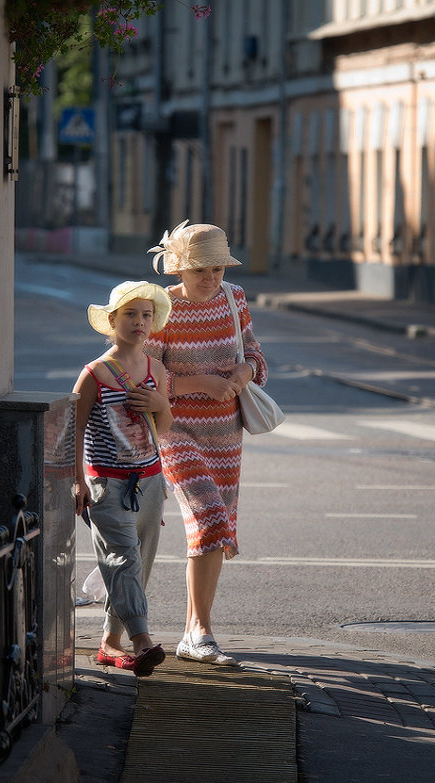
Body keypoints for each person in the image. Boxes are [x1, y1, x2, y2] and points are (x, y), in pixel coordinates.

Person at [144, 220, 269, 666]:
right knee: (210, 516)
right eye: (200, 269)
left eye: (217, 268)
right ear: (177, 268)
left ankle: (194, 631)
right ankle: (200, 633)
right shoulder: (160, 308)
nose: (210, 278)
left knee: (215, 532)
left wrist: (244, 372)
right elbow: (148, 375)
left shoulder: (234, 299)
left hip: (226, 434)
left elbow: (253, 352)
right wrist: (200, 382)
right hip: (175, 431)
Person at [73, 280, 174, 677]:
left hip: (150, 481)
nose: (139, 322)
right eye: (130, 314)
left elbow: (163, 428)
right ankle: (142, 640)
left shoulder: (157, 370)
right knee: (123, 559)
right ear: (111, 321)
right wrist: (78, 483)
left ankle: (110, 643)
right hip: (107, 485)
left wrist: (160, 403)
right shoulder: (94, 374)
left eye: (146, 315)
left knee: (136, 567)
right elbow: (70, 434)